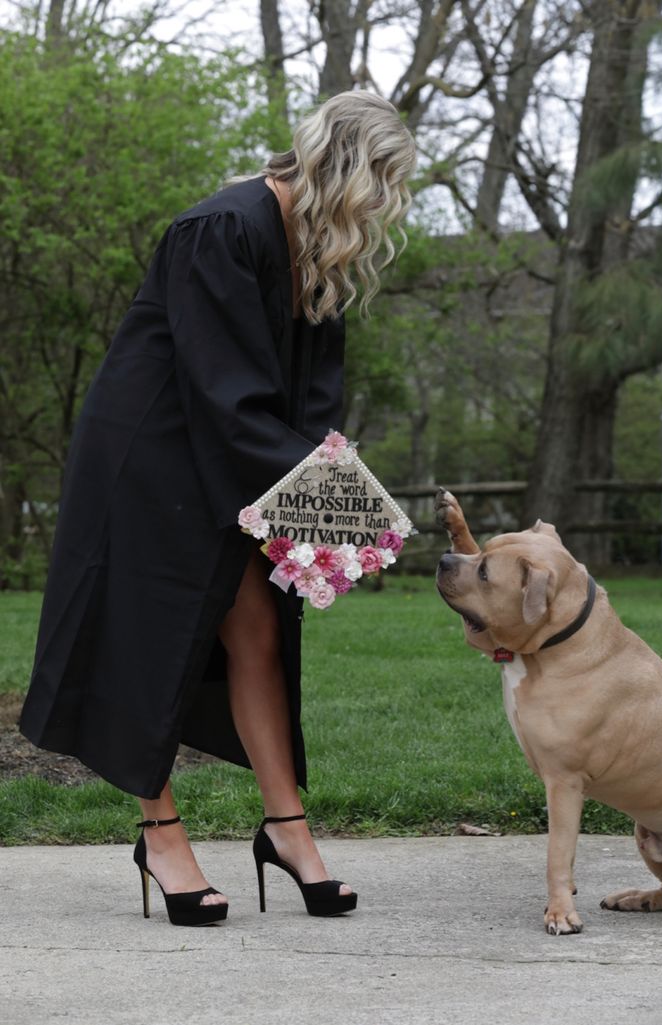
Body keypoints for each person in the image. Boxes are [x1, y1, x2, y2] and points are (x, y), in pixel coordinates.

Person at [19, 90, 416, 926]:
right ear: (343, 167)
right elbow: (221, 387)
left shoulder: (313, 249)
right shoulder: (224, 227)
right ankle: (161, 836)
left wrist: (339, 508)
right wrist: (323, 499)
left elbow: (308, 397)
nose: (385, 204)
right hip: (152, 452)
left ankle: (286, 827)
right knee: (148, 637)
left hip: (231, 451)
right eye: (381, 181)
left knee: (258, 628)